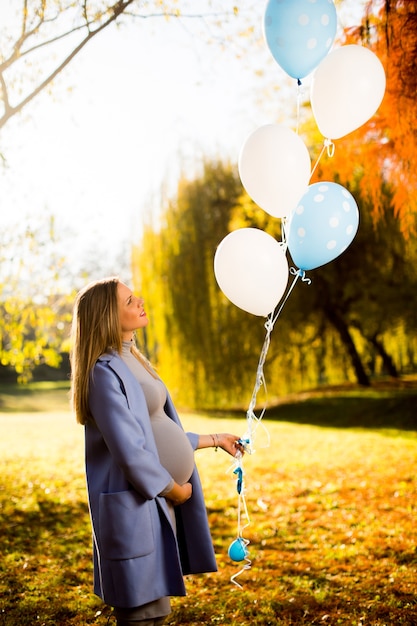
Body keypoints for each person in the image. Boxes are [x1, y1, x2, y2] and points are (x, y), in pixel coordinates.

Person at [70, 276, 244, 626]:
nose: (140, 302)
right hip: (136, 504)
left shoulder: (133, 358)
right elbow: (131, 451)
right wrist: (174, 489)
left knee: (158, 611)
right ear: (107, 316)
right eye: (129, 300)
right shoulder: (102, 373)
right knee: (139, 613)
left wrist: (213, 439)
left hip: (155, 503)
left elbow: (156, 431)